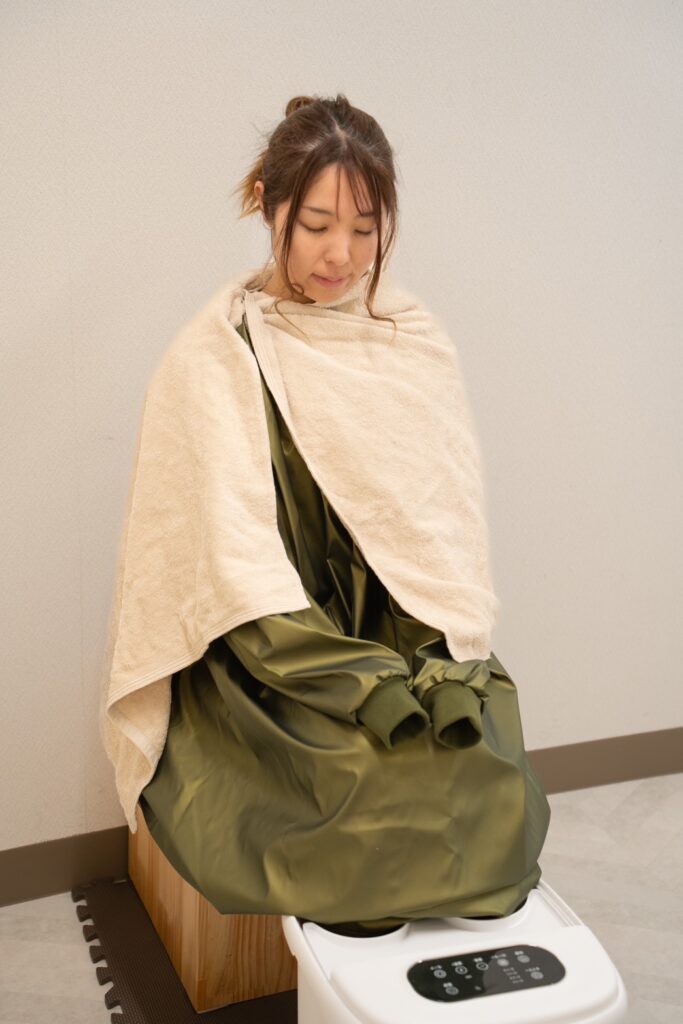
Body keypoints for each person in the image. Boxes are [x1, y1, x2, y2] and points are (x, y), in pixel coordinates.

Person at [118, 93, 551, 931]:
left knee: (480, 764)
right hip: (269, 660)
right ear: (266, 203)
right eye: (316, 224)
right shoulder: (214, 356)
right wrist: (356, 683)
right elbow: (230, 570)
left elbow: (437, 541)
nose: (341, 255)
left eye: (364, 228)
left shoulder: (407, 337)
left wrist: (436, 667)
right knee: (366, 784)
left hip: (398, 635)